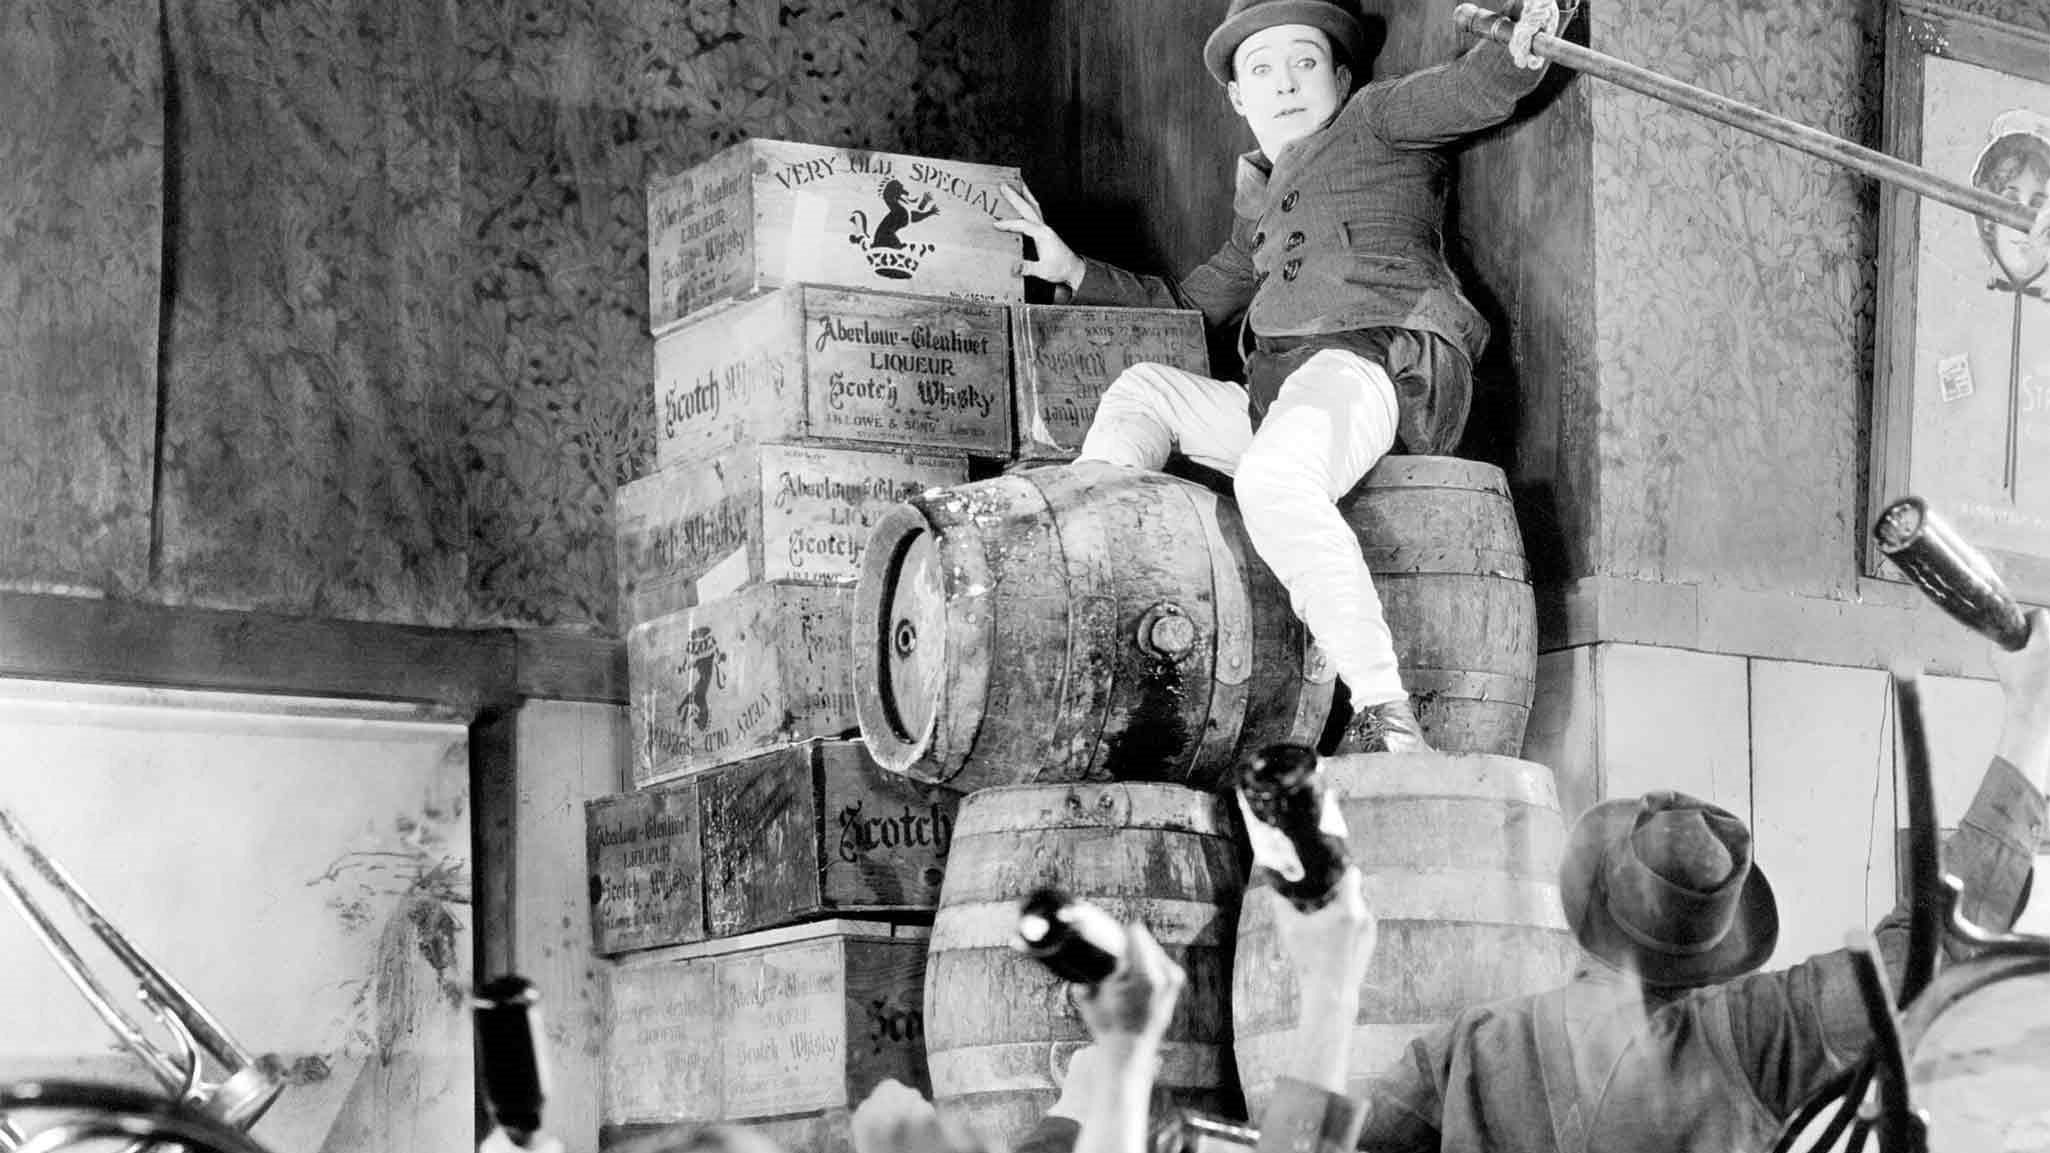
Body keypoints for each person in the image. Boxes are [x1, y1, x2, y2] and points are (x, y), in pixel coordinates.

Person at [1240, 606, 2050, 1152]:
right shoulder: (1753, 1036)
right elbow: (1923, 957)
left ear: (1590, 902)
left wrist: (1330, 986)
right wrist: (2029, 726)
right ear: (1719, 948)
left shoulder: (1472, 1052)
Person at [996, 0, 1568, 753]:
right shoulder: (1258, 208)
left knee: (1271, 480)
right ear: (1238, 96)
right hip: (1279, 399)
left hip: (1378, 365)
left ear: (1341, 78)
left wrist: (1525, 43)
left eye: (1305, 61)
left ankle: (1387, 713)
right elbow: (1188, 309)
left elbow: (1469, 89)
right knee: (1144, 390)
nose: (1286, 83)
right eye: (1262, 69)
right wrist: (1073, 269)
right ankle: (1099, 574)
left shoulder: (1375, 119)